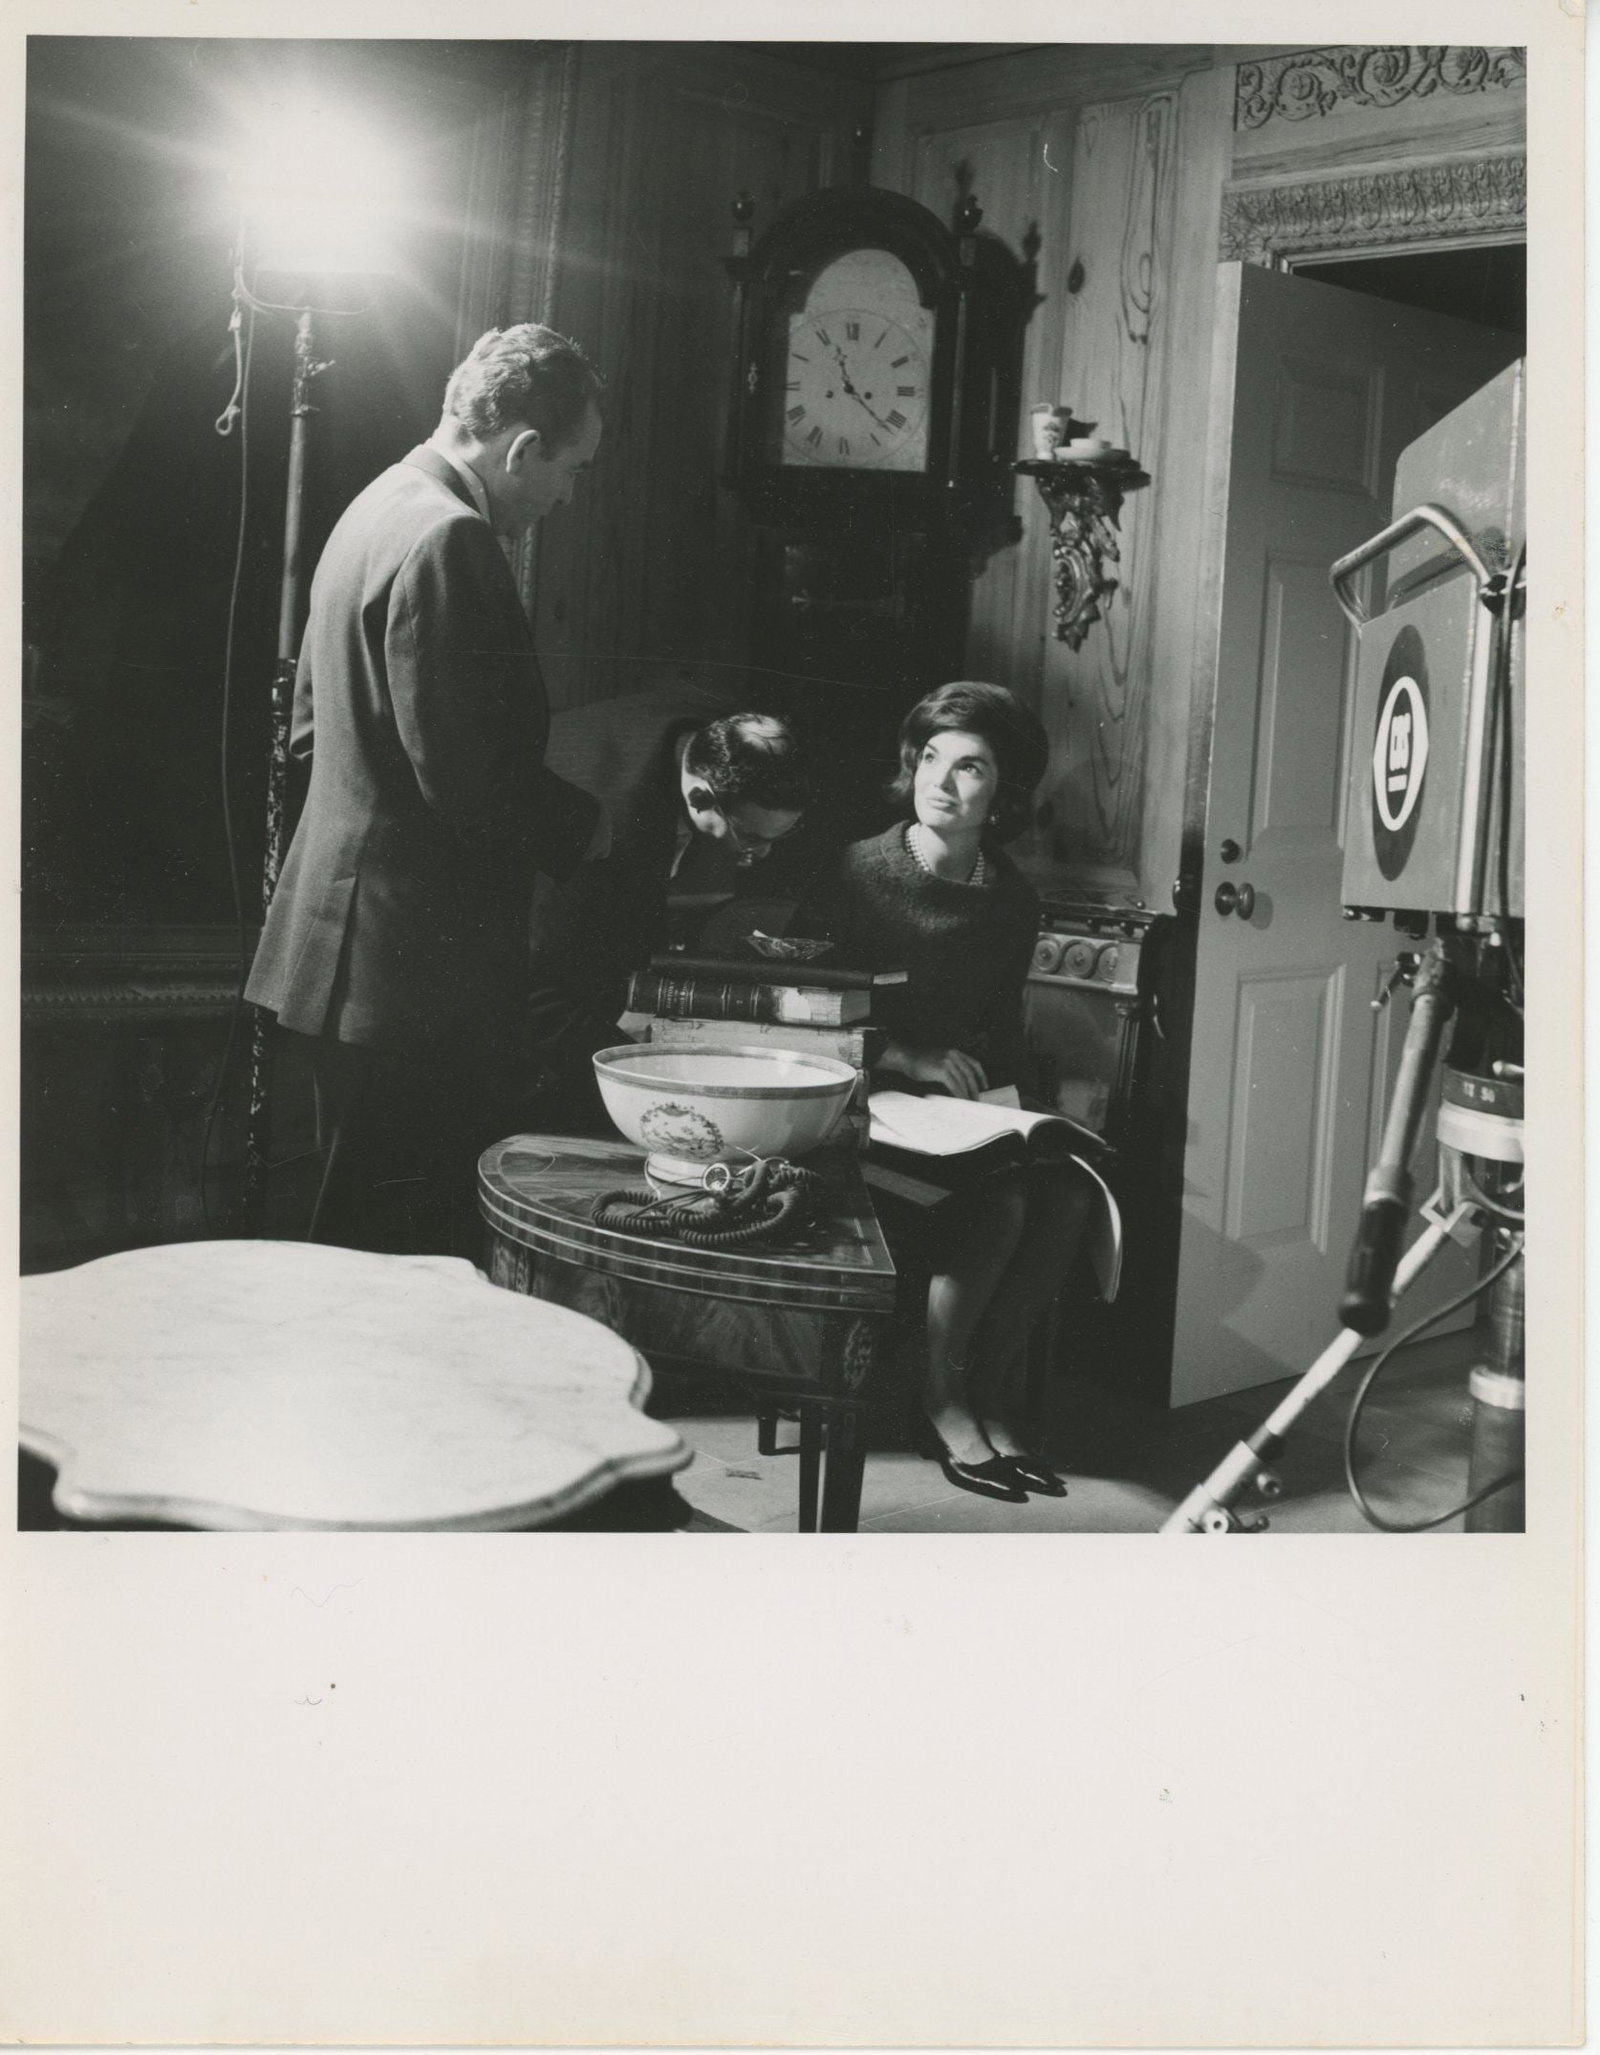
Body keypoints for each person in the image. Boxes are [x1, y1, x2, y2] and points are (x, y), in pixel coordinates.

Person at [245, 323, 609, 1253]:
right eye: (570, 470)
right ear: (523, 448)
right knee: (397, 1259)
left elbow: (309, 733)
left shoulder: (376, 506)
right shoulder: (453, 537)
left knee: (348, 1243)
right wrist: (590, 830)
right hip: (411, 975)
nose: (565, 497)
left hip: (344, 957)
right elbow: (468, 780)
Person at [808, 680, 1093, 1504]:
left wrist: (1027, 1118)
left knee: (1067, 1194)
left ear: (1002, 794)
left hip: (951, 1119)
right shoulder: (854, 872)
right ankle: (940, 1399)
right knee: (994, 1208)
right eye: (930, 758)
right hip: (854, 1114)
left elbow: (1001, 1025)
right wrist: (906, 1053)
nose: (942, 780)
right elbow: (800, 1010)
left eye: (970, 767)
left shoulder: (1011, 899)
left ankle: (987, 1386)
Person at [526, 692, 815, 1111]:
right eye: (751, 838)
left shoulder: (721, 741)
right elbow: (545, 984)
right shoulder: (604, 826)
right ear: (700, 798)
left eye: (780, 836)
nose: (764, 854)